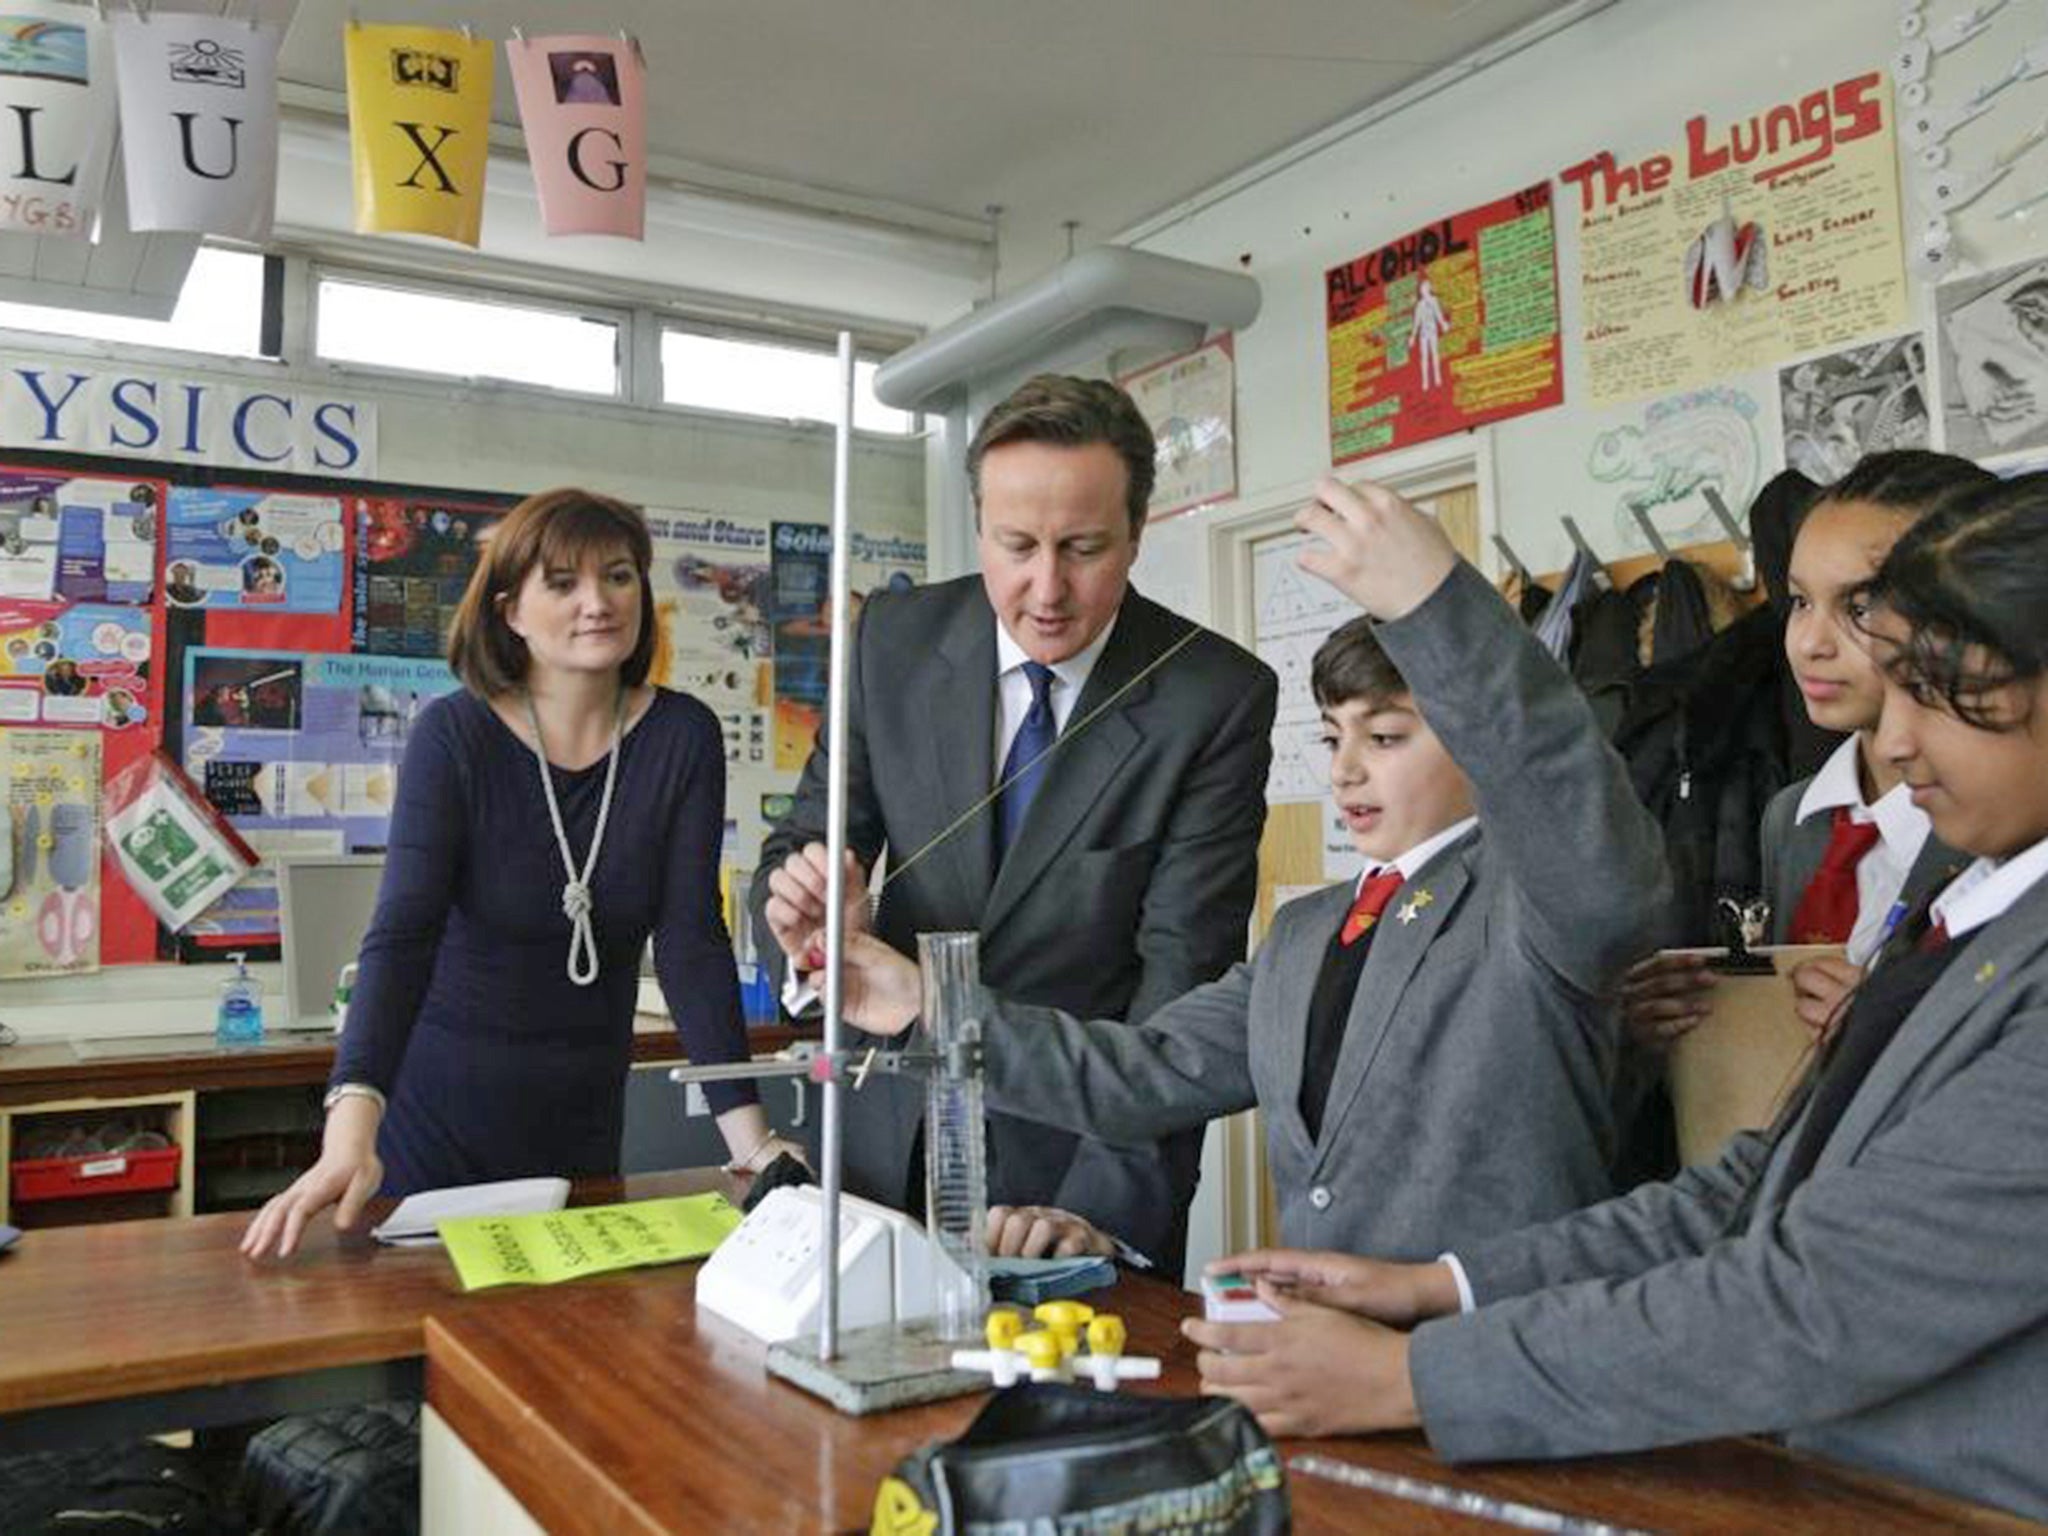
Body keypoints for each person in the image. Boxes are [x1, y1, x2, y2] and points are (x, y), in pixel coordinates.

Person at [1181, 476, 2048, 1524]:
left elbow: (1814, 1300)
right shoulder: (1959, 906)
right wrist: (1433, 1287)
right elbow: (1745, 1193)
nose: (1895, 742)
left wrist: (1407, 1378)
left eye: (1938, 690)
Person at [827, 474, 1667, 1261]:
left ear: (1472, 741)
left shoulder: (1537, 910)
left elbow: (1582, 825)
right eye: (1333, 738)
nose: (1345, 772)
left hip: (1504, 1363)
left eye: (1385, 738)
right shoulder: (1305, 936)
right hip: (1329, 1368)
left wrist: (1438, 609)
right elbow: (1141, 1070)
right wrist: (930, 1006)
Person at [752, 374, 1277, 1274]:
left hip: (1065, 1177)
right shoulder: (894, 640)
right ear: (979, 526)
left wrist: (1096, 1217)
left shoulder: (1213, 699)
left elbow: (1179, 993)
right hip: (881, 1153)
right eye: (1017, 545)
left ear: (1138, 532)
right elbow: (800, 847)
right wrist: (808, 924)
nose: (1047, 588)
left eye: (1083, 547)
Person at [243, 488, 793, 1259]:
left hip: (582, 1118)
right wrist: (347, 1134)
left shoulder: (682, 736)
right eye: (562, 583)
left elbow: (692, 943)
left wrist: (753, 1143)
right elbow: (402, 937)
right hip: (437, 1118)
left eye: (619, 576)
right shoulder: (455, 736)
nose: (597, 602)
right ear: (510, 611)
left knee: (566, 1351)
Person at [1620, 451, 1992, 1048]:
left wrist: (1891, 1028)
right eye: (1799, 602)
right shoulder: (1792, 819)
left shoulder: (1997, 826)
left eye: (1860, 607)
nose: (1810, 643)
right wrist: (1692, 1013)